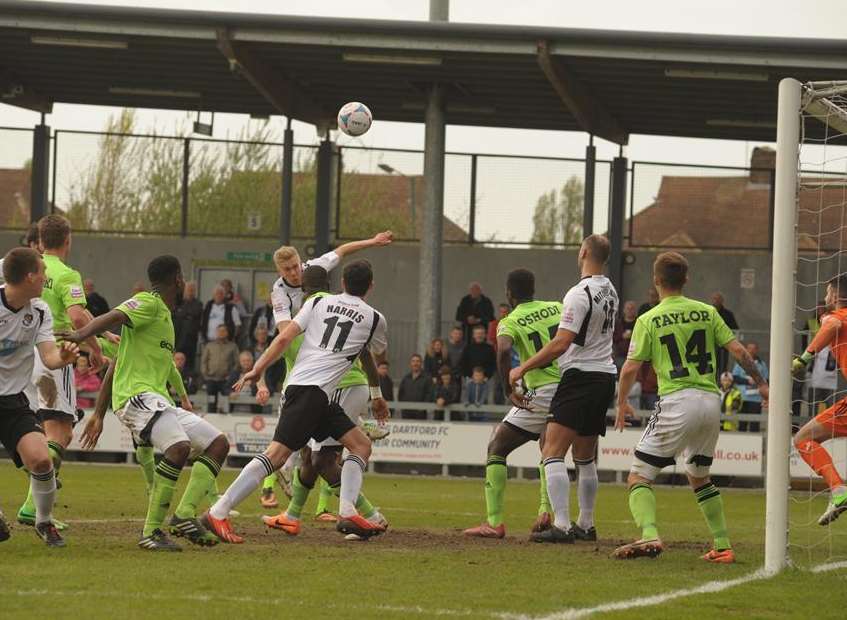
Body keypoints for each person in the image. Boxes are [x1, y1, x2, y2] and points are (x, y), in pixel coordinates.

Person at [203, 259, 390, 542]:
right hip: (310, 393)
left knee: (360, 445)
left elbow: (284, 338)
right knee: (276, 456)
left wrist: (257, 368)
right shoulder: (375, 318)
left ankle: (348, 512)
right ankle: (218, 512)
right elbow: (377, 354)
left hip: (311, 392)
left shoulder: (318, 303)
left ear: (342, 284)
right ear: (372, 286)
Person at [61, 255, 231, 551]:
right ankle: (152, 532)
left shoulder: (164, 317)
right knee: (178, 448)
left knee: (218, 443)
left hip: (157, 401)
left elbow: (116, 364)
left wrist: (98, 414)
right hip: (137, 398)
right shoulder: (148, 302)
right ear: (178, 279)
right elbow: (114, 315)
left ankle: (184, 514)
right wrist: (81, 333)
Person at [612, 251, 767, 562]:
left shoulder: (648, 318)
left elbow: (630, 368)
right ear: (686, 279)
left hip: (677, 401)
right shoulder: (708, 312)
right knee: (699, 475)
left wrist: (621, 403)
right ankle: (722, 546)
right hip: (710, 403)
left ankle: (649, 535)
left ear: (655, 282)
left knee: (639, 476)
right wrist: (761, 383)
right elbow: (739, 351)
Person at [257, 265, 388, 530]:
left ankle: (364, 515)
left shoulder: (309, 313)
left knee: (321, 459)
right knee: (310, 456)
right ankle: (293, 516)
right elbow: (369, 354)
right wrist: (376, 394)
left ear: (302, 289)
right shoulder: (340, 309)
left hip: (335, 388)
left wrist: (258, 375)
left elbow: (282, 347)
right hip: (333, 389)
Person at [509, 235, 618, 544]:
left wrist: (522, 367)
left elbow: (561, 343)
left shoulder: (578, 293)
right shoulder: (610, 290)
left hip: (580, 376)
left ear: (584, 252)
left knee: (552, 452)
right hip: (604, 376)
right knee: (585, 457)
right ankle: (586, 524)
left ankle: (561, 525)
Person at [19, 214, 105, 530]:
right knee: (58, 432)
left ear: (40, 241)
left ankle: (37, 499)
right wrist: (95, 349)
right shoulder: (68, 274)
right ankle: (33, 505)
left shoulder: (32, 270)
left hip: (25, 355)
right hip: (54, 355)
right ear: (68, 240)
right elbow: (78, 318)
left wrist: (103, 333)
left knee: (53, 430)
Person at [464, 269, 564, 539]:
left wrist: (509, 389)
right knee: (549, 447)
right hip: (569, 388)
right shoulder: (557, 307)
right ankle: (545, 510)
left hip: (541, 390)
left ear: (509, 292)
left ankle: (494, 523)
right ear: (533, 288)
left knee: (497, 447)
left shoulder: (510, 321)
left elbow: (504, 350)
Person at [0, 247, 80, 546]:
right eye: (42, 272)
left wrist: (65, 356)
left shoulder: (40, 311)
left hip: (13, 401)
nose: (46, 276)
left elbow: (49, 358)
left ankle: (44, 523)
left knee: (42, 461)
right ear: (30, 276)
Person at [791, 273, 847, 525]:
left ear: (836, 295)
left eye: (827, 293)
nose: (825, 298)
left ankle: (838, 490)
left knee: (803, 438)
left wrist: (804, 357)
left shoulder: (837, 318)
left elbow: (833, 326)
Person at [201, 324, 239, 413]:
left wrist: (231, 376)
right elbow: (204, 361)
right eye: (219, 331)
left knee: (226, 404)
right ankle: (210, 418)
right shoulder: (209, 345)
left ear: (227, 333)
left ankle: (225, 422)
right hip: (211, 379)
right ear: (216, 333)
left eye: (224, 331)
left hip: (226, 380)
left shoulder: (233, 346)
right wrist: (205, 375)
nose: (221, 333)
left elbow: (237, 363)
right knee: (211, 402)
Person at [732, 342, 768, 432]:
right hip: (742, 398)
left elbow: (766, 379)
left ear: (757, 350)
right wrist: (747, 381)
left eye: (754, 349)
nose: (751, 351)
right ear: (746, 349)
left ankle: (755, 445)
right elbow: (735, 378)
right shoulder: (740, 362)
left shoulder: (761, 364)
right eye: (749, 348)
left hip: (756, 398)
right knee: (742, 424)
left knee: (755, 424)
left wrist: (758, 381)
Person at [172, 280, 203, 368]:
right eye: (189, 290)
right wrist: (186, 315)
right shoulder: (178, 302)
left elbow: (194, 313)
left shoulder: (198, 304)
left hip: (190, 340)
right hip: (177, 338)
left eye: (192, 290)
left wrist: (182, 314)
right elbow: (176, 315)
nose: (190, 292)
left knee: (188, 364)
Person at [397, 354, 434, 418]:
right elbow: (400, 394)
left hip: (420, 414)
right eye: (413, 361)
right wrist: (403, 406)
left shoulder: (427, 378)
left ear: (421, 363)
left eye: (418, 361)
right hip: (406, 413)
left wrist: (423, 407)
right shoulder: (406, 378)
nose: (415, 363)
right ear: (410, 363)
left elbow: (430, 394)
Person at [712, 292, 740, 376]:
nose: (716, 301)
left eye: (718, 299)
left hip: (724, 344)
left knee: (723, 365)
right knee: (712, 365)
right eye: (714, 299)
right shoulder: (709, 312)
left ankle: (722, 384)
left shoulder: (728, 314)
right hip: (711, 343)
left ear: (722, 301)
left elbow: (735, 328)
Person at [808, 345, 837, 414]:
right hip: (817, 381)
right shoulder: (819, 345)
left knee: (831, 409)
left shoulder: (837, 345)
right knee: (813, 408)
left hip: (831, 383)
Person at [613, 300, 638, 368]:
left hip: (636, 356)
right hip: (620, 355)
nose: (629, 310)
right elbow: (612, 338)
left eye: (632, 308)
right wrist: (622, 336)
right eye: (628, 308)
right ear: (624, 310)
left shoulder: (639, 323)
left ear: (635, 310)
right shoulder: (618, 323)